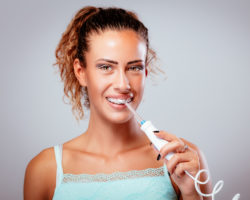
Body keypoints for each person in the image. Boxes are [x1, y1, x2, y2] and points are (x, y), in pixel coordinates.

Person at [24, 6, 212, 200]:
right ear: (81, 72)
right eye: (106, 67)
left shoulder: (184, 161)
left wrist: (192, 193)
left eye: (134, 68)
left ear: (145, 73)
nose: (123, 84)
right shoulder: (45, 170)